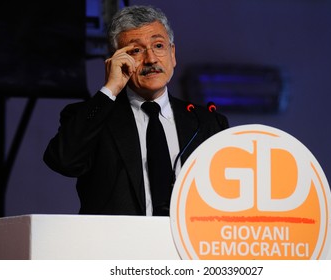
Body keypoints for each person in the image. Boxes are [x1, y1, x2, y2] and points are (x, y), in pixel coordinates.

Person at [43, 5, 229, 216]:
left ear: (173, 53)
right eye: (136, 51)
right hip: (116, 246)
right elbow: (64, 161)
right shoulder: (93, 117)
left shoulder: (207, 123)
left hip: (186, 246)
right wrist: (110, 90)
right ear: (116, 60)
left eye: (158, 45)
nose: (151, 59)